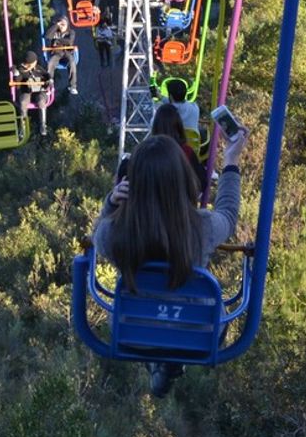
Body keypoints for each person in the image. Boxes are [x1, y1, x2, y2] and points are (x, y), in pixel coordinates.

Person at [92, 129, 247, 398]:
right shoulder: (202, 227)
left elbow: (97, 236)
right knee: (200, 312)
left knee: (151, 323)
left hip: (135, 333)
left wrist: (110, 204)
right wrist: (231, 161)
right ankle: (170, 359)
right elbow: (229, 214)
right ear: (182, 178)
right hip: (198, 334)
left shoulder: (115, 233)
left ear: (132, 182)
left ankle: (157, 360)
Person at [11, 50, 51, 135]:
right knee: (23, 102)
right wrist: (16, 74)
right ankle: (23, 126)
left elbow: (46, 75)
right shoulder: (21, 70)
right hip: (27, 90)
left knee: (41, 101)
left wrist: (49, 80)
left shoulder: (37, 68)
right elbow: (18, 81)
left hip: (39, 90)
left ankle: (43, 125)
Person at [45, 17, 79, 95]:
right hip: (57, 52)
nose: (61, 26)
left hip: (67, 52)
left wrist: (57, 40)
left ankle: (73, 86)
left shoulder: (71, 32)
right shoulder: (55, 32)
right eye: (60, 24)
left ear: (67, 25)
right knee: (51, 62)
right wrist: (55, 26)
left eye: (63, 24)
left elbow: (70, 42)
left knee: (72, 62)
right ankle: (49, 83)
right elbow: (47, 36)